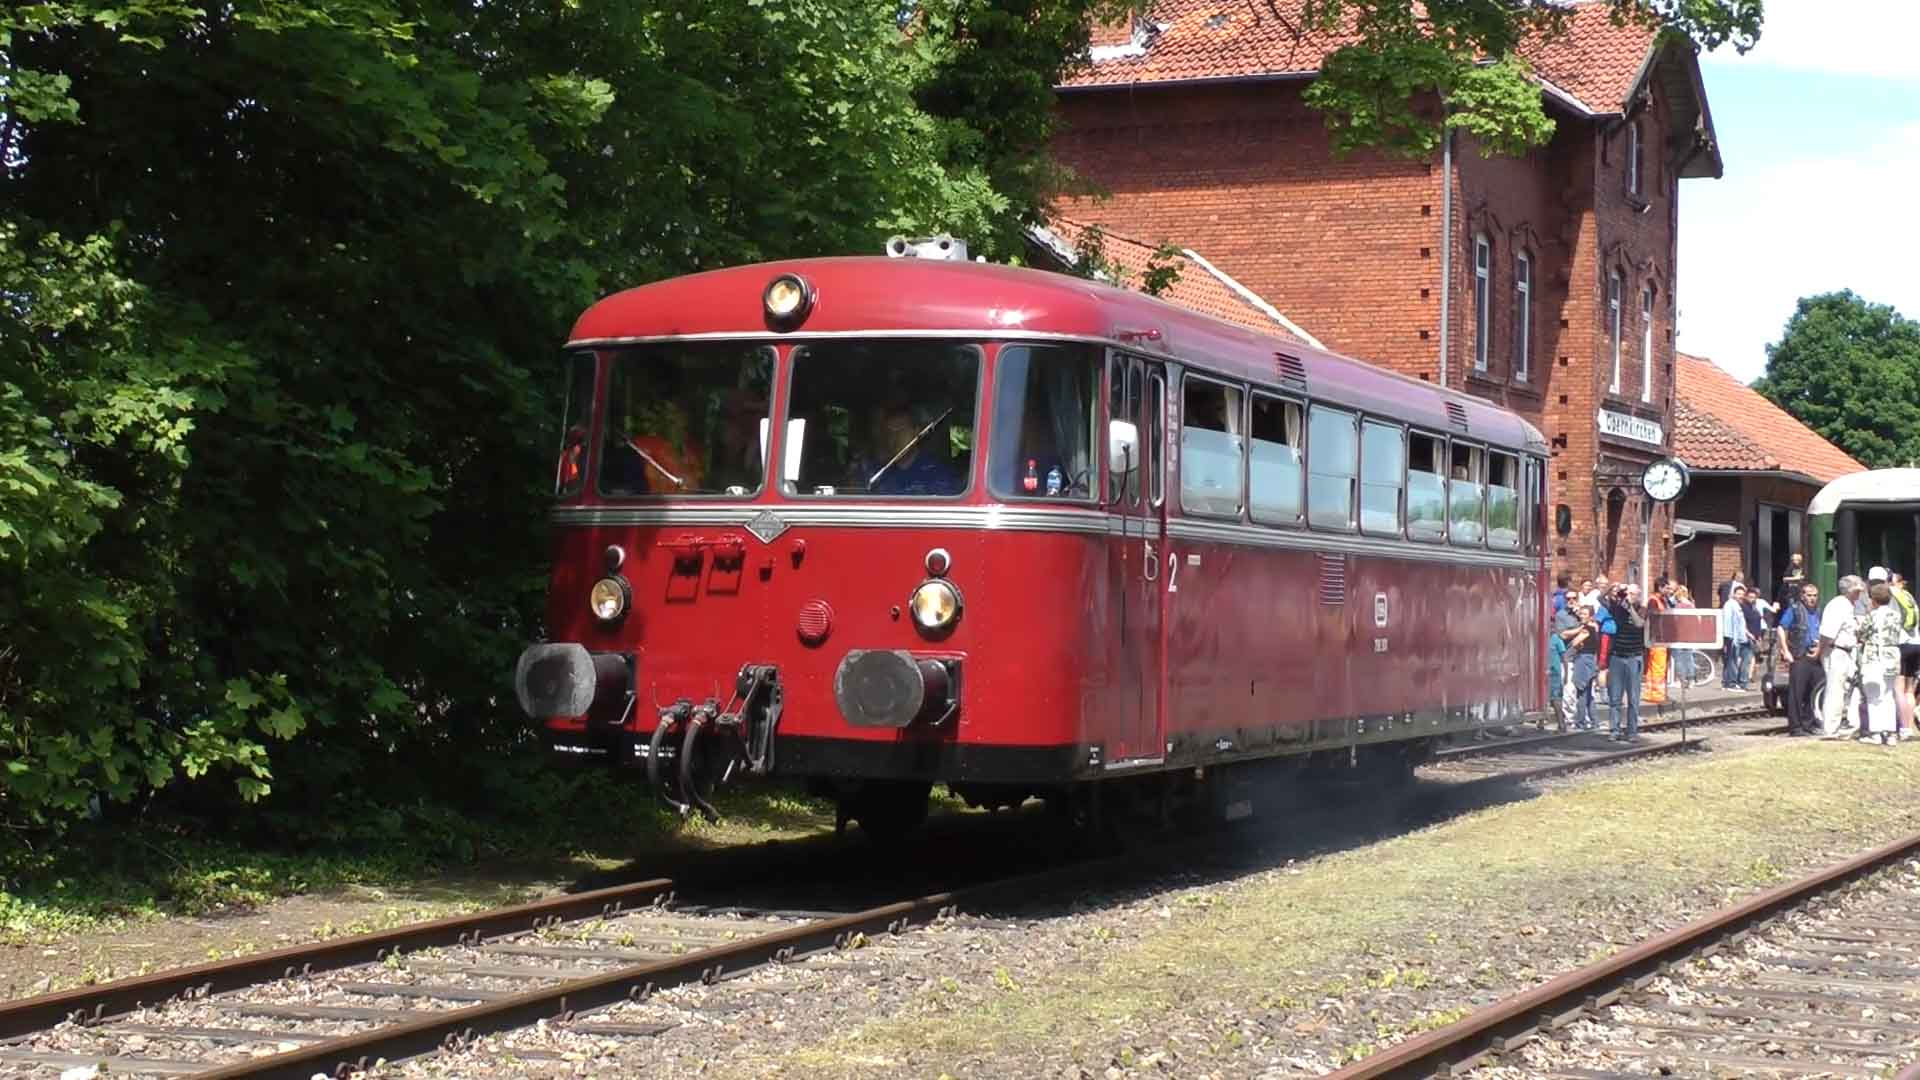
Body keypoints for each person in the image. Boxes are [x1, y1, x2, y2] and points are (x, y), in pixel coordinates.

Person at [1818, 575, 1868, 738]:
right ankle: (1830, 728)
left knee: (1847, 690)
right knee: (1835, 690)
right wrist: (1820, 652)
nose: (1858, 594)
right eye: (1856, 591)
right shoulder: (1838, 605)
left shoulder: (1849, 605)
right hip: (1836, 651)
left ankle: (1845, 724)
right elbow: (1828, 633)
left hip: (1848, 651)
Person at [1599, 583, 1648, 741]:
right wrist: (1611, 587)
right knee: (1615, 697)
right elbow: (1600, 598)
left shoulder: (1642, 608)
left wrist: (1629, 608)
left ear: (1638, 595)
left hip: (1634, 657)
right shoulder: (1617, 607)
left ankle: (1632, 731)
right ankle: (1615, 729)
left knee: (1633, 697)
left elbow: (1639, 623)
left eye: (1633, 594)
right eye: (1628, 594)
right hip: (1617, 656)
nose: (1629, 597)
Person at [1776, 582, 1824, 736]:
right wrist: (1785, 650)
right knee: (1797, 692)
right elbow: (1781, 628)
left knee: (1815, 691)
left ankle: (1809, 723)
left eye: (1815, 596)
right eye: (1809, 595)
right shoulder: (1795, 610)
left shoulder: (1819, 611)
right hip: (1800, 654)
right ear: (1802, 596)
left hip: (1816, 655)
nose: (1812, 599)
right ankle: (1796, 727)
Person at [1860, 581, 1903, 746]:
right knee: (1888, 695)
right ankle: (1891, 733)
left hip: (1874, 658)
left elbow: (1862, 633)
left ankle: (1876, 733)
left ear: (1874, 599)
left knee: (1873, 696)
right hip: (1891, 658)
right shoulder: (1896, 616)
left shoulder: (1872, 615)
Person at [1568, 601, 1608, 732]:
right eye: (1581, 613)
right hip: (1592, 659)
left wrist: (1576, 643)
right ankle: (1594, 721)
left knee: (1581, 692)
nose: (1582, 616)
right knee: (1588, 693)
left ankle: (1580, 722)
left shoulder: (1586, 629)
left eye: (1585, 614)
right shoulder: (1596, 627)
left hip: (1583, 660)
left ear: (1591, 616)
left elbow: (1574, 642)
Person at [1892, 572, 1920, 734]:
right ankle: (1909, 726)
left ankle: (1903, 727)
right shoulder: (1910, 598)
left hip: (1902, 645)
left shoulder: (1894, 595)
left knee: (1898, 688)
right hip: (1916, 644)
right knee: (1910, 690)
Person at [1643, 575, 1671, 705]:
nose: (1668, 590)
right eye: (1666, 588)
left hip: (1662, 638)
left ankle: (1651, 692)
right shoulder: (1654, 601)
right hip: (1658, 639)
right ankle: (1657, 694)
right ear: (1660, 587)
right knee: (1658, 666)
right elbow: (1653, 620)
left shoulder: (1662, 600)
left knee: (1654, 667)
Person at [1720, 584, 1752, 691]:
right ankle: (1732, 684)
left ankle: (1726, 683)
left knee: (1731, 660)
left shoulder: (1737, 605)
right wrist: (1729, 638)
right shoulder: (1730, 605)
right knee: (1732, 661)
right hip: (1732, 638)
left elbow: (1740, 624)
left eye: (1742, 594)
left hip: (1739, 638)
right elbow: (1727, 622)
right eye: (1738, 594)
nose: (1741, 596)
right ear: (1733, 594)